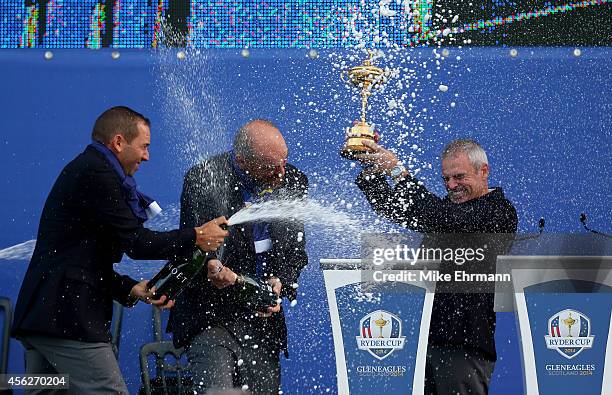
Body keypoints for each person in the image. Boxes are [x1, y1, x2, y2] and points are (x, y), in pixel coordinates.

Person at [11, 106, 234, 394]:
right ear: (118, 142)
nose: (146, 156)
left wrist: (131, 289)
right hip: (69, 321)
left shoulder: (86, 169)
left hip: (42, 321)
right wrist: (197, 235)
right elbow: (137, 243)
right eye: (144, 146)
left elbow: (80, 258)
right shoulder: (97, 173)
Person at [354, 139, 518, 395]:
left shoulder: (498, 211)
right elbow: (398, 209)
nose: (452, 186)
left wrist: (397, 171)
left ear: (483, 171)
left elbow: (445, 219)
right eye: (446, 179)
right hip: (421, 337)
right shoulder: (443, 212)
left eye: (459, 177)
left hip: (462, 346)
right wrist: (372, 171)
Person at [168, 119, 309, 395]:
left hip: (264, 323)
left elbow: (295, 250)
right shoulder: (203, 177)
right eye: (271, 167)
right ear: (242, 160)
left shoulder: (294, 181)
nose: (281, 173)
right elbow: (191, 247)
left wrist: (281, 280)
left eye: (284, 161)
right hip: (212, 316)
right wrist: (212, 265)